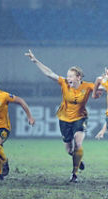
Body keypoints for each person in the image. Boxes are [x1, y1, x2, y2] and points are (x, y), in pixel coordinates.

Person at [25, 49, 93, 183]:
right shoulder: (64, 83)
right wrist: (35, 61)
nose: (68, 78)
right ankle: (78, 159)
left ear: (78, 77)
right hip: (64, 119)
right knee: (69, 150)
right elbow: (49, 73)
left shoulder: (88, 86)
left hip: (80, 118)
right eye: (67, 76)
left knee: (78, 143)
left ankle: (74, 174)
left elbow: (103, 87)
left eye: (71, 76)